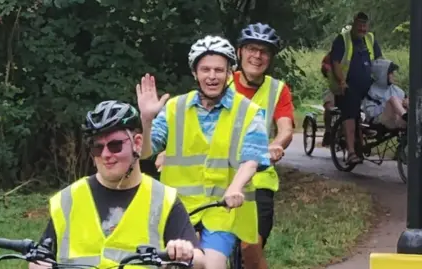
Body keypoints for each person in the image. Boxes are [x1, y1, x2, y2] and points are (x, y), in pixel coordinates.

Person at [136, 35, 271, 269]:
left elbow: (251, 159)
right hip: (178, 211)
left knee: (211, 265)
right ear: (194, 73)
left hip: (223, 212)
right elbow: (146, 151)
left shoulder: (249, 112)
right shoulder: (174, 107)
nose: (212, 76)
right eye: (205, 69)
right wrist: (146, 121)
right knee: (168, 264)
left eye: (219, 70)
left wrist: (235, 188)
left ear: (230, 72)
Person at [29, 101, 204, 269]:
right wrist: (38, 263)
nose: (105, 154)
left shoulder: (163, 199)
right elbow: (41, 257)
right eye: (97, 147)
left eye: (115, 145)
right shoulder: (68, 199)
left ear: (137, 143)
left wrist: (184, 251)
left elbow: (201, 262)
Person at [228, 23, 294, 269]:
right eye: (251, 49)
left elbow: (285, 128)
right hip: (219, 175)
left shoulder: (277, 90)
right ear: (239, 52)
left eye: (264, 51)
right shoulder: (221, 83)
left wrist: (275, 145)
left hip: (259, 179)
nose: (257, 56)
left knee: (250, 249)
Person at [329, 12, 383, 164]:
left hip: (367, 85)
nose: (362, 28)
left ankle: (369, 131)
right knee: (350, 114)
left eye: (365, 25)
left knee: (382, 100)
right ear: (354, 24)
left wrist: (387, 76)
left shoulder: (370, 39)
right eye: (359, 24)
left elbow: (379, 61)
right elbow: (336, 63)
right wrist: (341, 81)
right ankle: (351, 152)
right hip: (348, 85)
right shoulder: (343, 39)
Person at [321, 25, 352, 146]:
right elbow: (325, 71)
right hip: (333, 88)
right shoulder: (330, 57)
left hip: (348, 87)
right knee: (329, 106)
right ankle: (328, 131)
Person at [362, 59, 408, 129]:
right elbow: (370, 113)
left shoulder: (395, 89)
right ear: (383, 74)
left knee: (408, 99)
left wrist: (405, 102)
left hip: (396, 117)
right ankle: (406, 116)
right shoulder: (373, 91)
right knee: (393, 99)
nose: (394, 75)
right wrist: (385, 104)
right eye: (391, 73)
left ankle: (411, 118)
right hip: (381, 119)